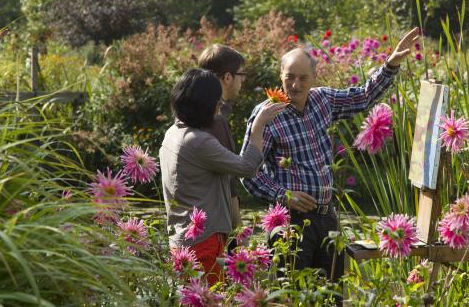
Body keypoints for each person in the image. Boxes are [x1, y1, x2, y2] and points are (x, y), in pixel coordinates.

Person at [240, 28, 420, 292]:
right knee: (292, 294)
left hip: (327, 218)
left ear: (314, 77)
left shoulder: (322, 99)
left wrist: (390, 65)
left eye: (303, 78)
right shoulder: (267, 114)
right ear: (280, 76)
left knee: (331, 294)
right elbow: (248, 172)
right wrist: (283, 194)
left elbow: (364, 96)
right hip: (291, 223)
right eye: (289, 77)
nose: (295, 85)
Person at [159, 68, 285, 285]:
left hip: (180, 240)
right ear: (205, 104)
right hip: (204, 241)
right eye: (217, 101)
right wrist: (259, 125)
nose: (220, 106)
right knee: (210, 298)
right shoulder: (198, 141)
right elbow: (247, 167)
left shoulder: (172, 133)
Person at [197, 44, 247, 234]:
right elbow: (230, 180)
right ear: (228, 77)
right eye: (241, 75)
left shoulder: (190, 113)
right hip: (214, 228)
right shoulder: (215, 118)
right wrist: (239, 235)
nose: (242, 81)